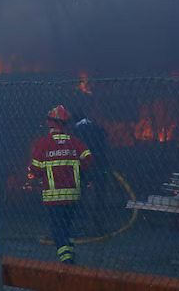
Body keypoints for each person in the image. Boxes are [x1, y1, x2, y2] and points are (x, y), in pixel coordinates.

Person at [30, 105, 93, 264]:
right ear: (67, 124)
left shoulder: (43, 144)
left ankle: (66, 258)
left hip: (53, 197)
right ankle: (68, 251)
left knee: (58, 228)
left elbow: (35, 170)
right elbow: (89, 162)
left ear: (49, 123)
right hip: (73, 195)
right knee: (66, 225)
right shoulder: (76, 142)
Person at [71, 111, 111, 232]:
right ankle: (97, 223)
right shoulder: (97, 127)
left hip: (84, 166)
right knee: (99, 195)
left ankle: (80, 223)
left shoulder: (75, 129)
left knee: (79, 194)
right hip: (100, 164)